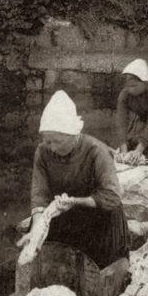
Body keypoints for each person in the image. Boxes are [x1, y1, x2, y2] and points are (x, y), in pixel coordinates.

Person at [26, 90, 130, 269]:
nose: (51, 147)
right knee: (46, 261)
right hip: (64, 213)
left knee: (100, 268)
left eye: (56, 141)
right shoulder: (43, 152)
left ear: (73, 136)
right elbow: (40, 192)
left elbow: (112, 196)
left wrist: (76, 201)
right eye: (47, 141)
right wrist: (37, 225)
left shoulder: (96, 151)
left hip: (98, 214)